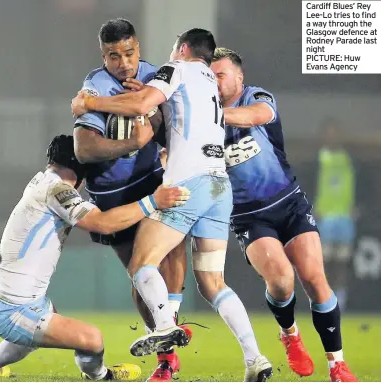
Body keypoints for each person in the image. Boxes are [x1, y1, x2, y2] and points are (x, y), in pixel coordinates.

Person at [72, 28, 273, 382]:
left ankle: (164, 324)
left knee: (142, 262)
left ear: (182, 49)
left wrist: (89, 103)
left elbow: (139, 105)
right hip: (218, 186)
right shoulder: (210, 80)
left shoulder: (174, 68)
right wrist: (150, 98)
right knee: (213, 283)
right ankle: (255, 358)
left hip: (186, 185)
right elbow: (171, 108)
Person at [0, 134, 189, 380]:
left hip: (9, 298)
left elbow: (97, 213)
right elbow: (103, 223)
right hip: (14, 309)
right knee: (92, 340)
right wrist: (154, 200)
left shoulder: (43, 182)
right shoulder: (57, 191)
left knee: (33, 336)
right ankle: (102, 376)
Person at [210, 47, 357, 382]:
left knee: (315, 278)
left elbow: (257, 115)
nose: (215, 82)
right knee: (280, 278)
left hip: (289, 203)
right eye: (210, 76)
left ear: (239, 77)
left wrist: (211, 114)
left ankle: (337, 365)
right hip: (249, 217)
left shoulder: (256, 97)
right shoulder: (203, 121)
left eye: (220, 74)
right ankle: (289, 333)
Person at [72, 18, 190, 382]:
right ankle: (167, 350)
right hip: (113, 195)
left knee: (170, 257)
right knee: (140, 274)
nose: (123, 63)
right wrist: (132, 143)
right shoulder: (94, 87)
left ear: (138, 49)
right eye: (113, 56)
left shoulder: (158, 76)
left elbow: (180, 122)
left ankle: (167, 331)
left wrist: (153, 113)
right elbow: (84, 148)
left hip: (153, 181)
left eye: (128, 53)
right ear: (102, 55)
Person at [315, 118, 356, 311]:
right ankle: (325, 299)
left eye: (335, 132)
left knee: (342, 262)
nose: (332, 136)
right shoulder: (317, 159)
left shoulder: (350, 158)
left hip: (345, 218)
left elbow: (363, 183)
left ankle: (342, 300)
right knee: (324, 261)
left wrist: (358, 206)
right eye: (328, 132)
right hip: (325, 218)